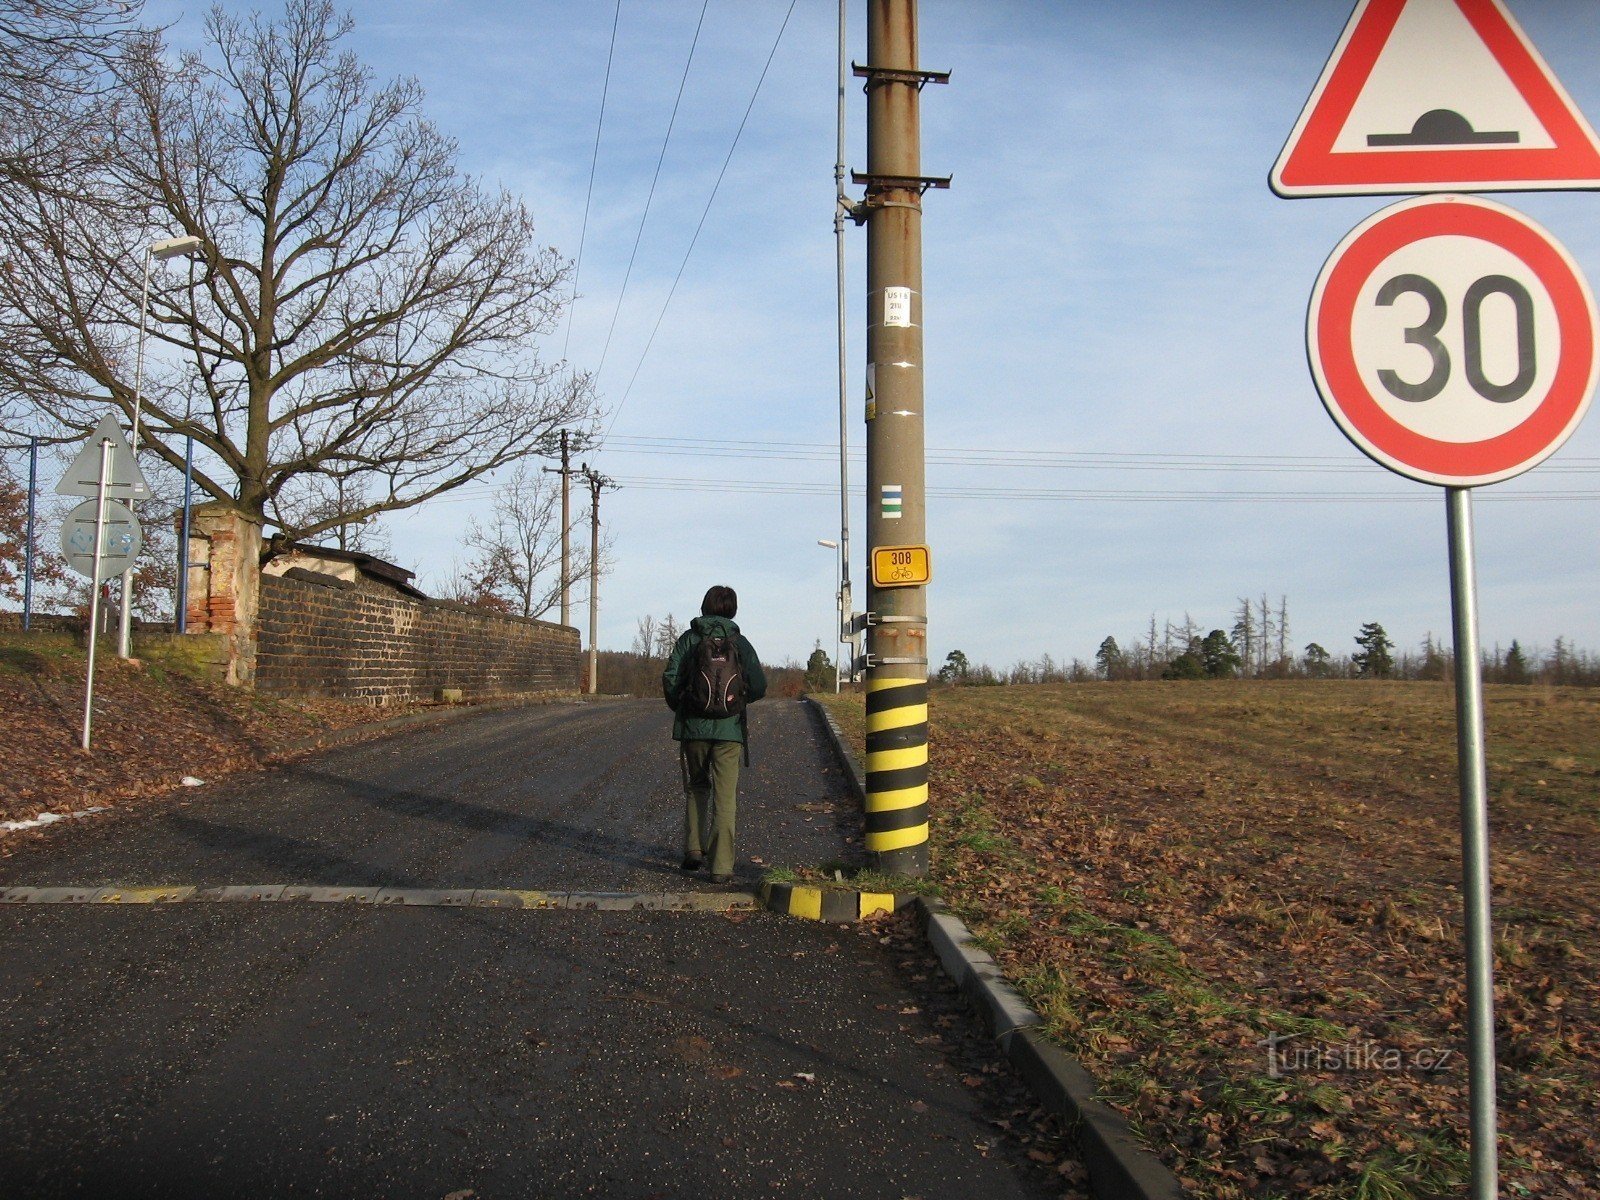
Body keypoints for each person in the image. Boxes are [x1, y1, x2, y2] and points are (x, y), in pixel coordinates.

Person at [661, 585, 767, 883]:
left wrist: (683, 707)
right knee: (725, 795)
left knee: (696, 786)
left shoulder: (689, 639)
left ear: (704, 606)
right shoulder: (740, 643)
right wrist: (737, 703)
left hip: (693, 727)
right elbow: (758, 685)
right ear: (732, 610)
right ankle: (721, 866)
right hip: (729, 731)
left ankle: (694, 849)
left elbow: (670, 678)